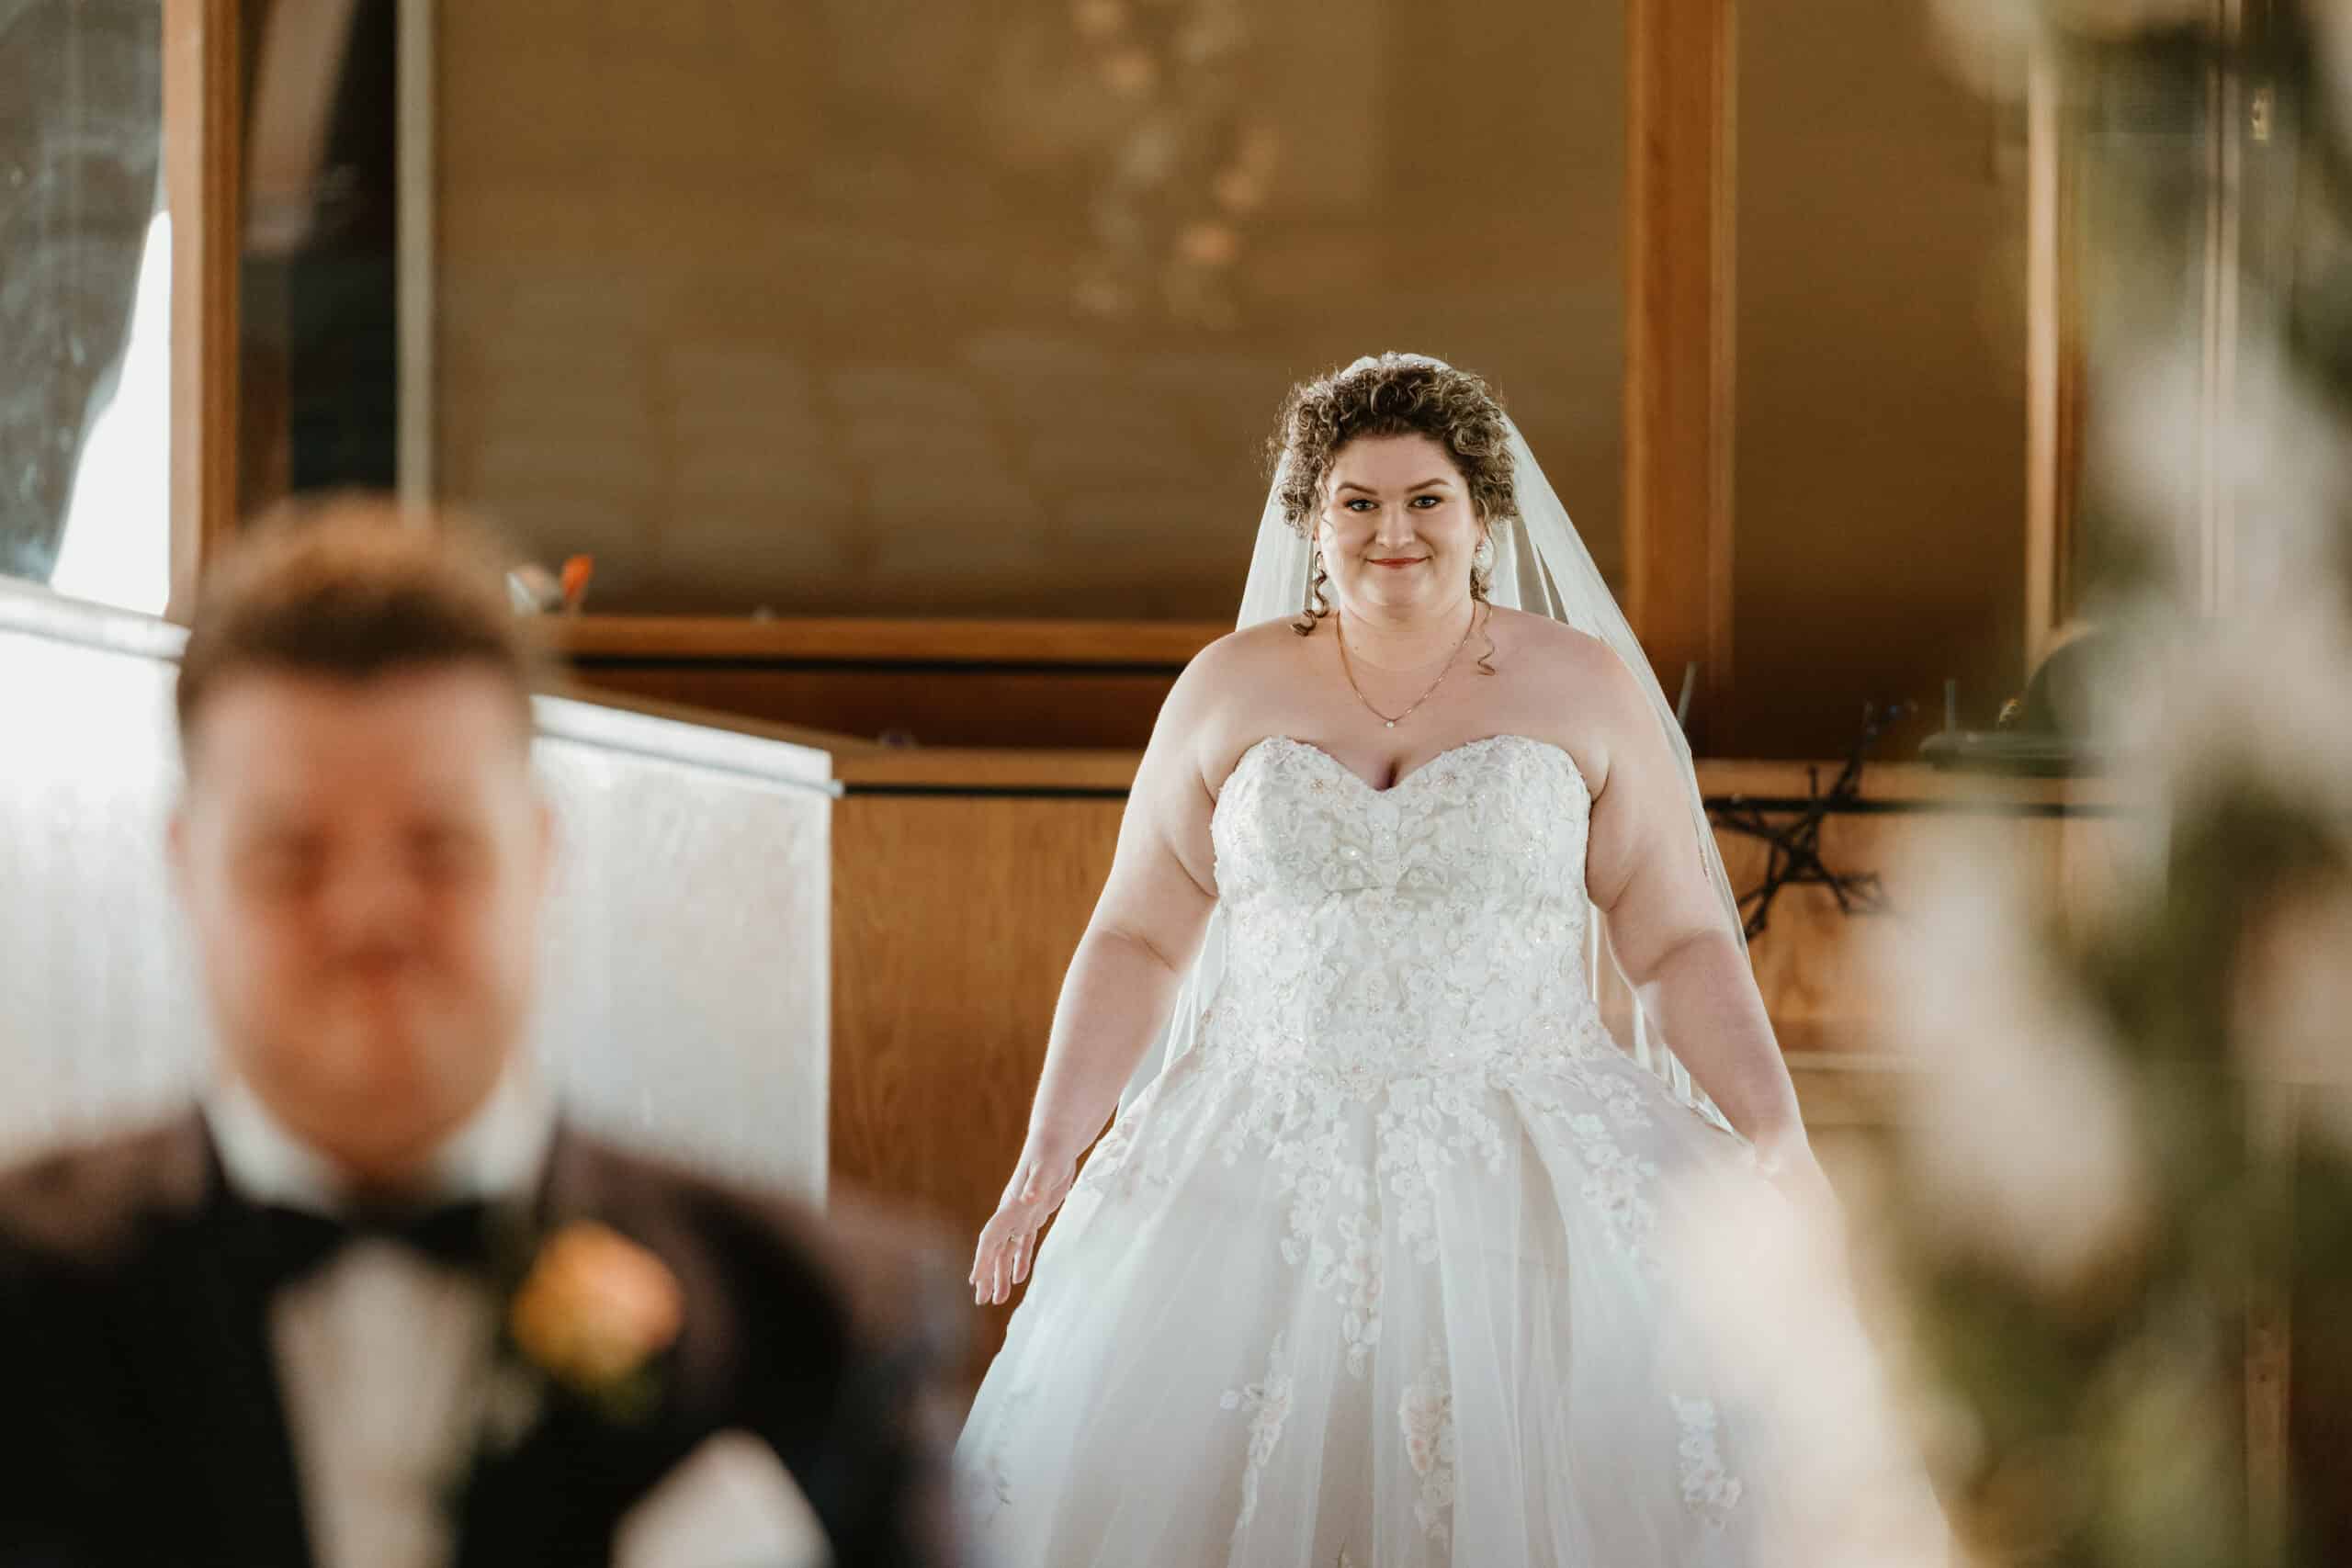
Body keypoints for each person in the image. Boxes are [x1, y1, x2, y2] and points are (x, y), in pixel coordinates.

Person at [956, 355, 1942, 1565]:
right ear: (1312, 521)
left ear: (1482, 515)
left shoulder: (1581, 686)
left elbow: (1677, 937)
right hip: (1255, 1150)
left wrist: (1777, 1133)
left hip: (1530, 1159)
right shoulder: (1227, 687)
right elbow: (1138, 932)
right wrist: (1051, 1147)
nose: (1392, 531)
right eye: (1358, 502)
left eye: (1425, 498)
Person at [0, 503, 964, 1568]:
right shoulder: (26, 1306)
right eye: (293, 857)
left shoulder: (815, 1327)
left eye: (437, 848)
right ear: (187, 870)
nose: (370, 915)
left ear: (540, 853)